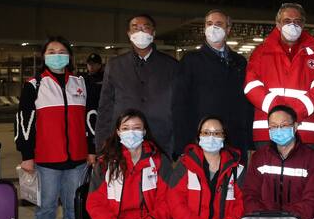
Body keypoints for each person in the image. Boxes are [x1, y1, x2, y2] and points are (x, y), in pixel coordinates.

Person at [15, 36, 95, 219]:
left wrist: (91, 150)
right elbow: (24, 122)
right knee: (46, 208)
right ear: (44, 56)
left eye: (62, 51)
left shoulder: (80, 83)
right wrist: (27, 155)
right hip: (47, 161)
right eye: (51, 51)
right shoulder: (34, 85)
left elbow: (91, 118)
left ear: (69, 55)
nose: (57, 54)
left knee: (73, 207)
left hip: (77, 161)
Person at [244, 3, 314, 148]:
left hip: (304, 132)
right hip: (268, 131)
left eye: (297, 21)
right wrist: (281, 114)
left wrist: (293, 113)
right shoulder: (261, 52)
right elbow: (251, 86)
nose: (293, 25)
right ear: (278, 24)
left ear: (303, 24)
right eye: (287, 21)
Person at [173, 9, 253, 156]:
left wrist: (248, 138)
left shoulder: (239, 62)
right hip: (203, 138)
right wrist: (183, 143)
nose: (213, 28)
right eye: (209, 24)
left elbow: (246, 102)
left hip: (234, 138)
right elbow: (179, 103)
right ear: (204, 29)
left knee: (233, 177)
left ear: (228, 29)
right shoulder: (191, 60)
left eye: (218, 24)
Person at [96, 14, 178, 155]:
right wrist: (101, 143)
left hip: (161, 141)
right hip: (123, 140)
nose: (140, 32)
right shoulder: (115, 65)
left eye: (145, 28)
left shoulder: (171, 66)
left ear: (153, 33)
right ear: (129, 34)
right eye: (135, 28)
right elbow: (105, 107)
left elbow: (179, 106)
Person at [242, 105, 314, 219]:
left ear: (295, 126)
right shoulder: (259, 157)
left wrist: (288, 218)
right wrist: (265, 217)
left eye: (284, 125)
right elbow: (250, 194)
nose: (278, 129)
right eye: (273, 126)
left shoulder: (312, 159)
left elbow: (312, 200)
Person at [82, 53, 104, 137]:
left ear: (99, 65)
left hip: (101, 111)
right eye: (89, 64)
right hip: (88, 112)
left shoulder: (105, 78)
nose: (91, 66)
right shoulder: (83, 79)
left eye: (94, 64)